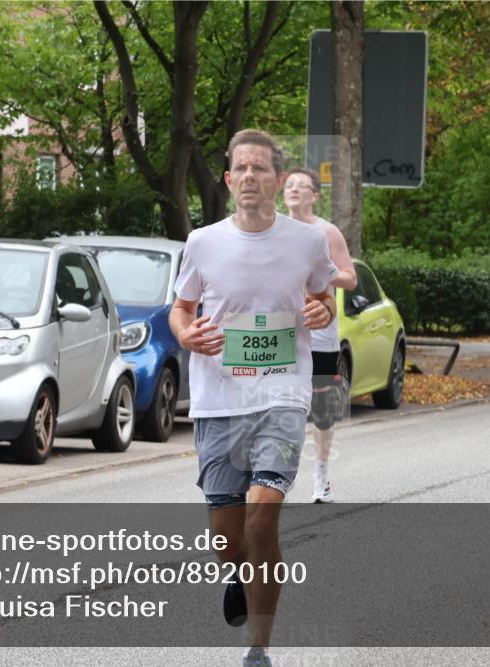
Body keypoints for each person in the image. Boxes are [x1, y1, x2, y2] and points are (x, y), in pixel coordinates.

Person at [170, 129, 338, 667]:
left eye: (259, 168)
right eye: (240, 168)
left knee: (263, 517)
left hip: (283, 397)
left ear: (277, 179)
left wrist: (323, 310)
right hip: (219, 400)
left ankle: (258, 649)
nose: (249, 176)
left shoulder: (307, 242)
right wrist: (187, 335)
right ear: (227, 179)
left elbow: (324, 297)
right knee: (227, 540)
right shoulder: (203, 242)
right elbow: (181, 309)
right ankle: (240, 573)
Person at [282, 167, 357, 503]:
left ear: (315, 194)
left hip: (320, 333)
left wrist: (319, 270)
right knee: (282, 406)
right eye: (289, 185)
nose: (294, 189)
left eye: (302, 185)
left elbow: (350, 278)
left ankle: (322, 475)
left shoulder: (327, 232)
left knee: (321, 410)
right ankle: (278, 476)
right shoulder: (273, 229)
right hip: (282, 329)